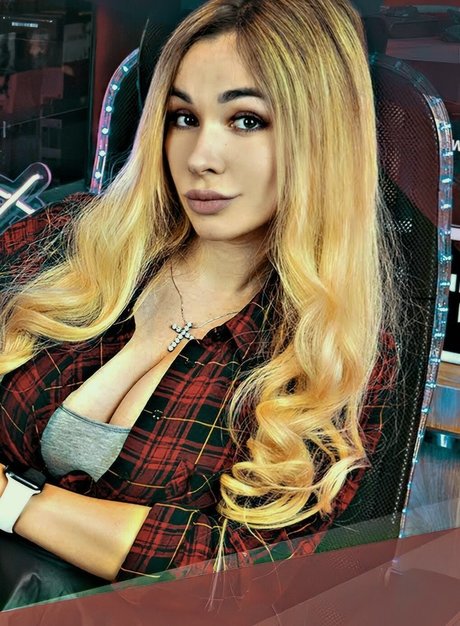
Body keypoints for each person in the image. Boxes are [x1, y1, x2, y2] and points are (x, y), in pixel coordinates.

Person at [0, 0, 396, 591]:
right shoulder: (72, 238)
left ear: (322, 140)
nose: (201, 159)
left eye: (247, 121)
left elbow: (235, 574)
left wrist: (12, 502)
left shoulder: (332, 352)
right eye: (184, 117)